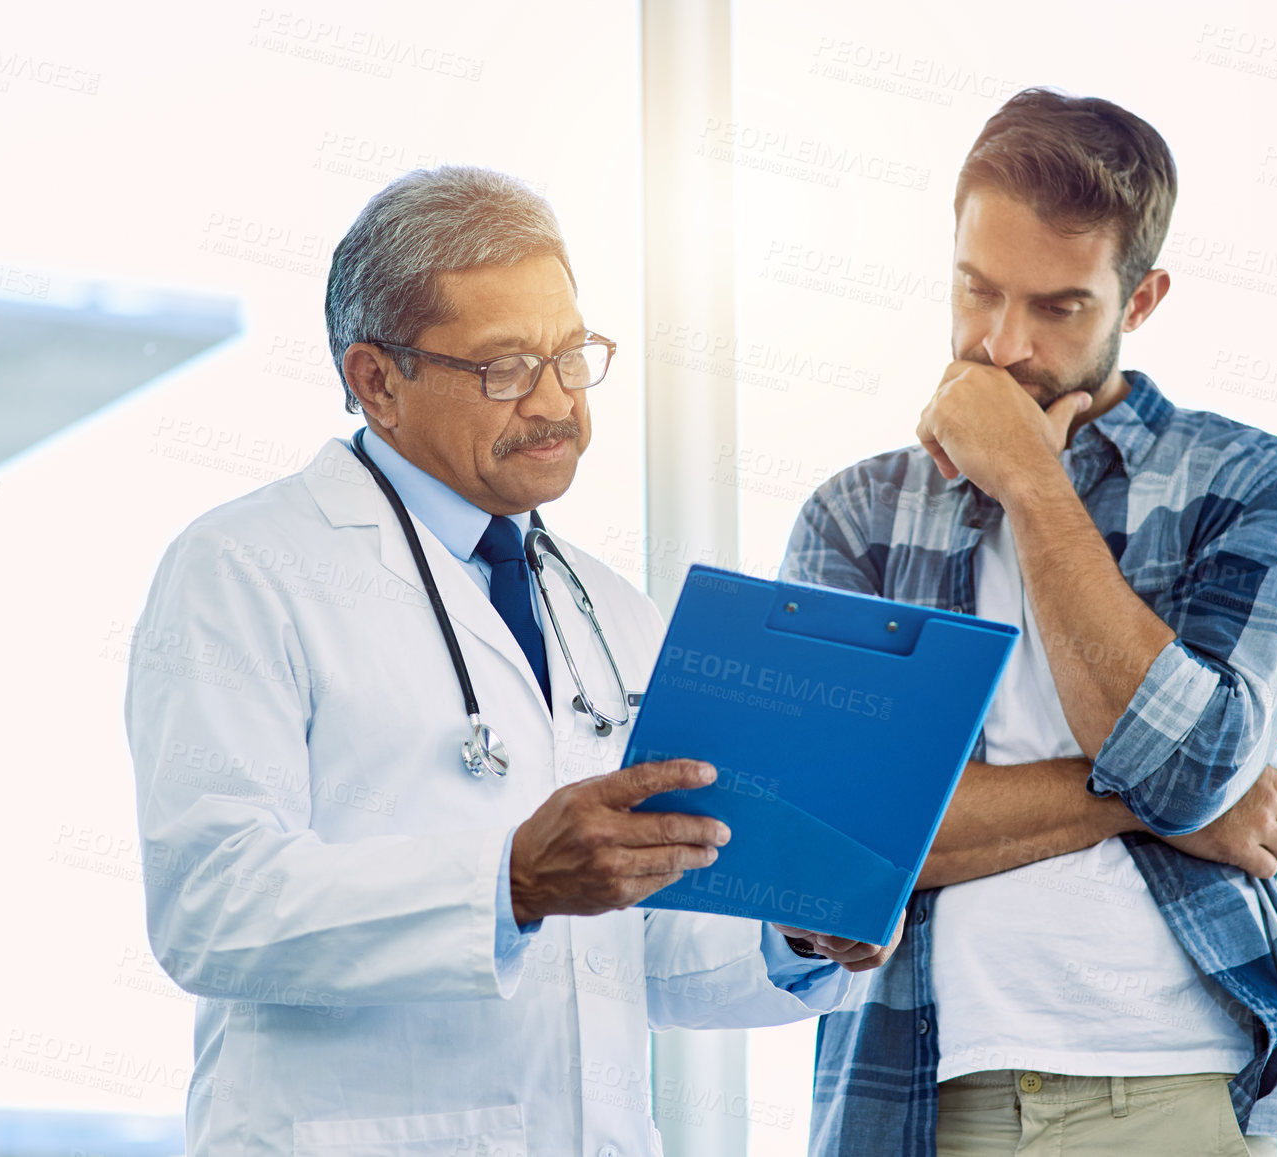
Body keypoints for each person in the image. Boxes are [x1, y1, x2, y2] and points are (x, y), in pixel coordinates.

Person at [125, 165, 893, 1157]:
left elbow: (635, 953)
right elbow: (211, 906)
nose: (555, 403)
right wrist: (508, 884)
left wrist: (795, 935)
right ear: (375, 379)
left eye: (571, 356)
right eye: (504, 368)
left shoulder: (607, 608)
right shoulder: (243, 568)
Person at [783, 89, 1277, 1156]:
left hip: (1180, 1084)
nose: (1000, 346)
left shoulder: (1256, 486)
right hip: (923, 1094)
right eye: (976, 289)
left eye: (1058, 307)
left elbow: (1187, 771)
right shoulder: (854, 516)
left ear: (1144, 294)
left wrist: (1032, 482)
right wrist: (1154, 804)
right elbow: (833, 847)